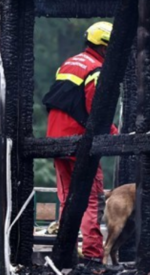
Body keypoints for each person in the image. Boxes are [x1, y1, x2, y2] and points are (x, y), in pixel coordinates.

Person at [43, 21, 114, 270]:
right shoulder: (97, 69)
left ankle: (67, 253)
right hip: (79, 141)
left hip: (55, 139)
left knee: (67, 200)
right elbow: (97, 110)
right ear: (105, 47)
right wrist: (115, 133)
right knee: (90, 197)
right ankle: (93, 255)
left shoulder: (69, 63)